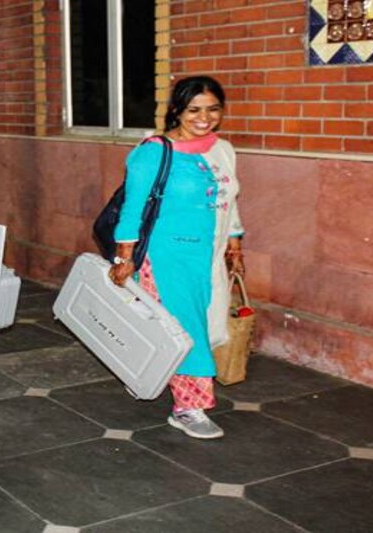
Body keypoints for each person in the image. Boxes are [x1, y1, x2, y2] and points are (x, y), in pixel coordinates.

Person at [109, 75, 245, 440]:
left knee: (189, 324)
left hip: (209, 255)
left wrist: (235, 242)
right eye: (194, 109)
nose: (204, 117)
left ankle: (151, 370)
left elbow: (229, 200)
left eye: (213, 109)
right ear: (176, 111)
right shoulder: (154, 151)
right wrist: (125, 257)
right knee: (189, 330)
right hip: (166, 255)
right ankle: (190, 407)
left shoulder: (223, 149)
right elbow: (133, 208)